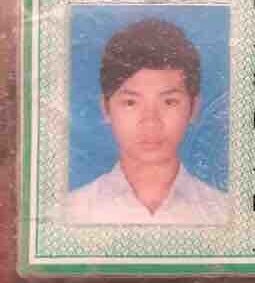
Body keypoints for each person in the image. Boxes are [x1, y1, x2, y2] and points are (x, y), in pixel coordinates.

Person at [67, 18, 230, 225]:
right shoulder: (72, 212)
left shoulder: (224, 213)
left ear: (194, 108)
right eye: (130, 103)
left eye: (169, 102)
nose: (150, 123)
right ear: (106, 108)